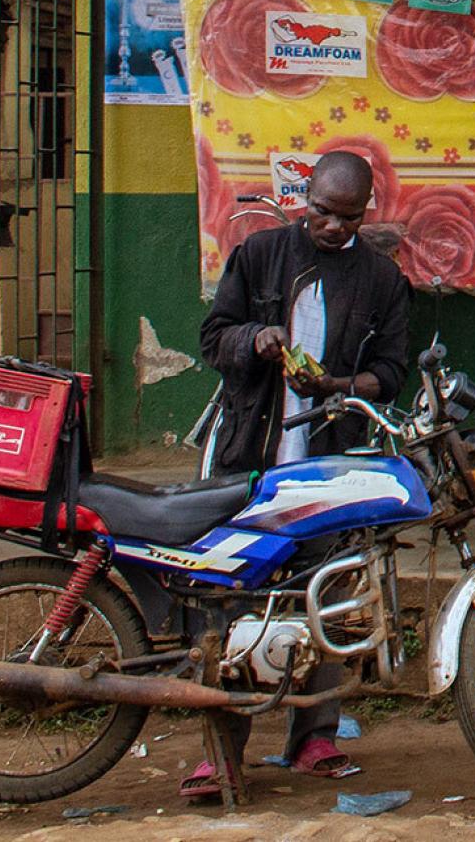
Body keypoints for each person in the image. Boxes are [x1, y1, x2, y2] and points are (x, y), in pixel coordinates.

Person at [188, 150, 410, 799]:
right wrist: (255, 339)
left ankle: (315, 736)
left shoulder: (382, 281)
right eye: (320, 212)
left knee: (326, 601)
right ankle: (221, 753)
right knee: (234, 609)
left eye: (346, 217)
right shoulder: (259, 257)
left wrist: (340, 385)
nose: (331, 227)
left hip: (330, 467)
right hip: (250, 461)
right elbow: (213, 337)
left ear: (364, 213)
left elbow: (392, 371)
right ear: (303, 198)